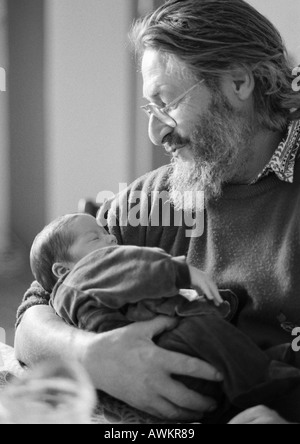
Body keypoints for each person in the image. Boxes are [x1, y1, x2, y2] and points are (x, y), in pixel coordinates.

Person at [15, 0, 300, 423]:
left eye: (166, 103)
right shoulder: (153, 200)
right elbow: (33, 314)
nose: (156, 131)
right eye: (150, 110)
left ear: (238, 82)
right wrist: (90, 355)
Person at [29, 212, 300, 423]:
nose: (112, 239)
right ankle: (261, 379)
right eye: (95, 238)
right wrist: (178, 271)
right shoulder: (83, 274)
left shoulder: (66, 296)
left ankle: (264, 366)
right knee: (201, 328)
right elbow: (135, 265)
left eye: (105, 233)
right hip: (165, 349)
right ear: (62, 270)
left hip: (158, 376)